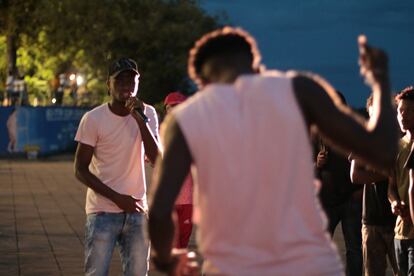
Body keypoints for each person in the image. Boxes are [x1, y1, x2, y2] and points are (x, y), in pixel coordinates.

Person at [148, 27, 398, 275]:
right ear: (255, 63)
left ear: (203, 81)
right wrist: (380, 80)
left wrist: (167, 259)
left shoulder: (186, 118)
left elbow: (160, 210)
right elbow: (381, 149)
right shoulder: (300, 90)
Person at [74, 57, 160, 276]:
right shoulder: (93, 119)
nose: (126, 87)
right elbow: (80, 170)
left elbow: (157, 160)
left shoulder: (147, 113)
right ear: (108, 85)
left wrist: (140, 120)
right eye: (120, 81)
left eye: (131, 81)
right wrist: (117, 198)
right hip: (102, 212)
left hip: (137, 211)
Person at [314, 92, 363, 276]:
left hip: (351, 198)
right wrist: (316, 164)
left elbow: (365, 160)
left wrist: (360, 190)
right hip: (326, 201)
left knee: (354, 249)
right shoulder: (316, 132)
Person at [350, 94, 398, 276]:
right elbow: (355, 175)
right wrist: (386, 173)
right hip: (371, 220)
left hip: (400, 220)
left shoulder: (403, 140)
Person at [388, 86, 414, 276]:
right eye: (399, 111)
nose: (402, 116)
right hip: (400, 232)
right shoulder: (396, 147)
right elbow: (391, 187)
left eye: (407, 111)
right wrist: (395, 202)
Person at [164, 91, 194, 249]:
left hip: (188, 200)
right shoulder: (159, 135)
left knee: (183, 243)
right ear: (166, 110)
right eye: (172, 107)